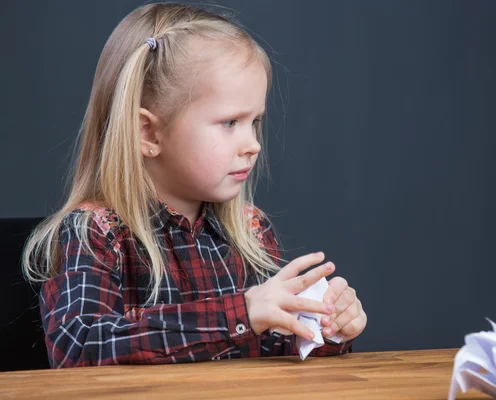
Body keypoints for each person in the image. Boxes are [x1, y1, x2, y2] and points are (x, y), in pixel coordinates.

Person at [22, 2, 367, 368]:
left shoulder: (250, 230)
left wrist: (323, 328)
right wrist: (241, 313)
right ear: (149, 132)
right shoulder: (97, 233)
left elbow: (271, 350)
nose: (253, 144)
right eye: (230, 122)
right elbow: (79, 349)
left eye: (256, 122)